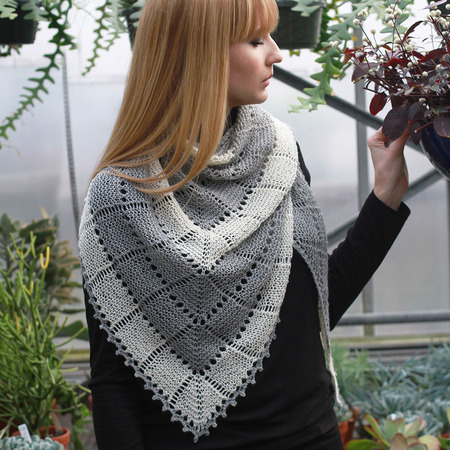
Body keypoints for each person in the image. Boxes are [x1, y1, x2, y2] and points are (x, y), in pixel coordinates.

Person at [78, 0, 411, 448]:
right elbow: (113, 381)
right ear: (200, 51)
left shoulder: (280, 158)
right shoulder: (119, 197)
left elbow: (310, 314)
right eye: (256, 40)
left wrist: (385, 200)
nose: (276, 53)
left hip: (309, 437)